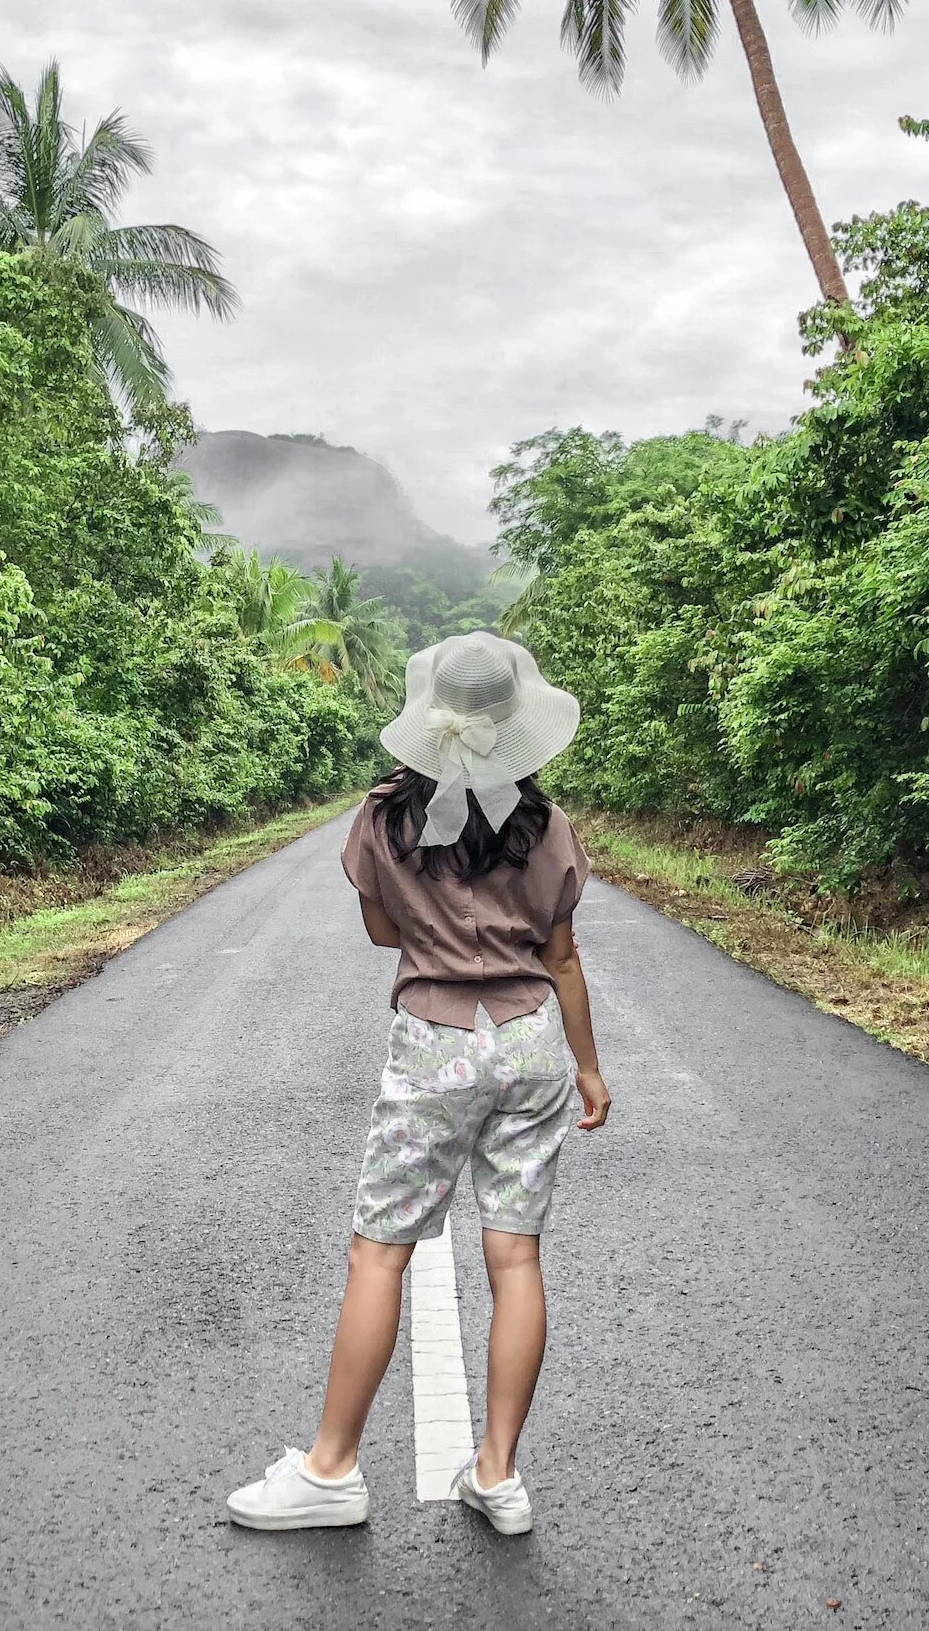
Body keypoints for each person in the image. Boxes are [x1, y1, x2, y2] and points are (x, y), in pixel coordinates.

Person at [227, 631, 612, 1538]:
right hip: (527, 1044)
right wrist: (589, 1066)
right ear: (517, 723)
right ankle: (500, 1473)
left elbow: (380, 933)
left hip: (438, 1043)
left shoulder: (384, 820)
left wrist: (437, 924)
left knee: (380, 1251)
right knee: (515, 1257)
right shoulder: (544, 826)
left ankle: (330, 1470)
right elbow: (562, 957)